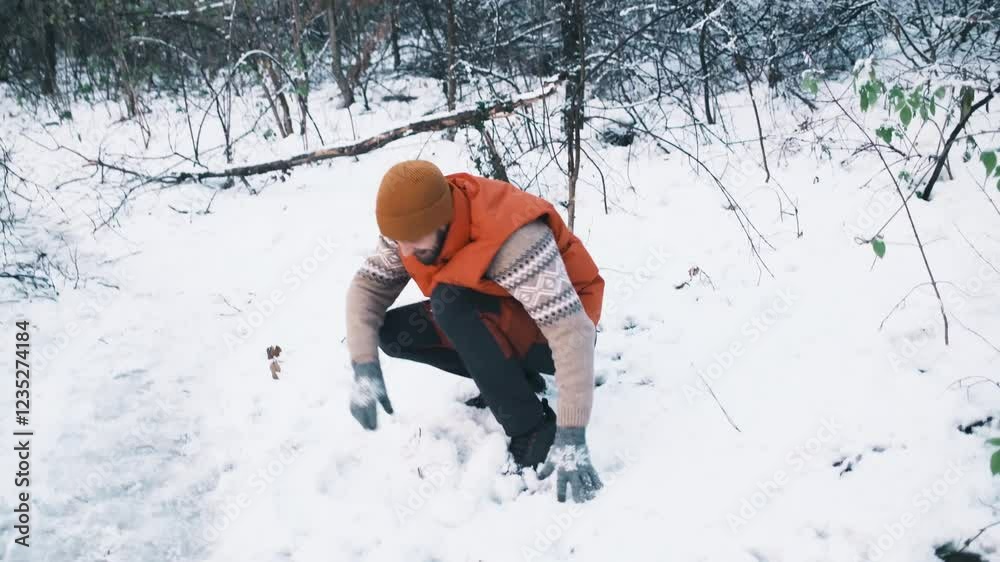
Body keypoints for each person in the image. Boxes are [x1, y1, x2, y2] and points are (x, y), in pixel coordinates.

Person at [344, 160, 605, 503]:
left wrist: (572, 434)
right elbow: (368, 288)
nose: (404, 251)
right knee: (394, 331)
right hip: (506, 310)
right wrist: (364, 366)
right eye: (398, 241)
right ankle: (515, 383)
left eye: (412, 241)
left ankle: (532, 429)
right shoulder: (413, 228)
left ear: (442, 220)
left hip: (556, 334)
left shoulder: (516, 238)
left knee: (449, 302)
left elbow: (572, 332)